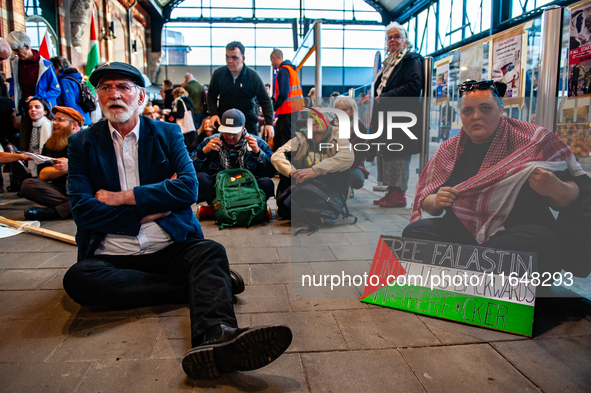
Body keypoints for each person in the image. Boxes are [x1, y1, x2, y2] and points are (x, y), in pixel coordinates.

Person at [62, 62, 292, 380]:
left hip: (168, 244)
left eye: (123, 87)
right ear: (98, 96)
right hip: (112, 253)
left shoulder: (166, 134)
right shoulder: (82, 144)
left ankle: (218, 336)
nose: (114, 94)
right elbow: (83, 211)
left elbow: (188, 188)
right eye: (105, 88)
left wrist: (126, 197)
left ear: (141, 97)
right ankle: (201, 285)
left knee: (210, 252)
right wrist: (152, 205)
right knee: (79, 279)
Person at [403, 80, 587, 275]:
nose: (476, 116)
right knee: (415, 232)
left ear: (500, 110)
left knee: (541, 241)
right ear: (461, 116)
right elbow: (428, 204)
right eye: (468, 111)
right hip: (463, 234)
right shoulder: (450, 150)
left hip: (515, 235)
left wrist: (557, 188)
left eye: (485, 108)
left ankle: (463, 268)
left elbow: (577, 192)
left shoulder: (533, 141)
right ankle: (480, 268)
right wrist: (436, 200)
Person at [369, 22, 424, 208]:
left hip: (402, 118)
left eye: (397, 36)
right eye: (390, 37)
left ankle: (399, 194)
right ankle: (391, 191)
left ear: (405, 40)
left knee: (398, 155)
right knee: (388, 153)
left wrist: (385, 97)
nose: (393, 40)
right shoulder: (389, 63)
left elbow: (414, 86)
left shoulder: (410, 60)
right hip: (388, 118)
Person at [191, 108, 276, 218]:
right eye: (226, 132)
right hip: (220, 189)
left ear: (243, 128)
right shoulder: (210, 142)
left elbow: (271, 172)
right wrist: (203, 152)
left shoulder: (257, 143)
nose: (230, 137)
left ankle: (220, 210)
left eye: (234, 133)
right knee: (200, 178)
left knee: (267, 183)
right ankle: (246, 209)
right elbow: (190, 169)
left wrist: (258, 152)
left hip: (247, 188)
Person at [271, 108, 354, 218]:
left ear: (327, 121)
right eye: (312, 116)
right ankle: (317, 211)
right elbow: (277, 156)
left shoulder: (337, 135)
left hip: (326, 184)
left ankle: (307, 209)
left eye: (320, 116)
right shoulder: (301, 137)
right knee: (287, 165)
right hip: (303, 182)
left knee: (344, 170)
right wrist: (293, 172)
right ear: (307, 123)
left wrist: (315, 170)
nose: (316, 119)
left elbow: (348, 156)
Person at [21, 106, 83, 220]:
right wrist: (65, 169)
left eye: (60, 120)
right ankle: (74, 207)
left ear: (74, 125)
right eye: (54, 119)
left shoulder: (87, 140)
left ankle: (56, 212)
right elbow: (43, 174)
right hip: (63, 190)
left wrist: (72, 166)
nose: (55, 123)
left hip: (84, 189)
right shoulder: (50, 144)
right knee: (28, 185)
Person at [207, 41, 274, 139]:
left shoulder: (253, 76)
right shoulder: (218, 74)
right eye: (227, 57)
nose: (230, 61)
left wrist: (269, 123)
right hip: (224, 123)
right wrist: (213, 114)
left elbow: (265, 101)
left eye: (234, 57)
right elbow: (211, 96)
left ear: (243, 59)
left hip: (247, 123)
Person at [6, 31, 60, 117]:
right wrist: (12, 93)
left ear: (27, 46)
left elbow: (56, 90)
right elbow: (13, 81)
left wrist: (38, 98)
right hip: (24, 110)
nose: (16, 53)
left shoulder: (46, 66)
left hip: (43, 111)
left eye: (17, 50)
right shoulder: (15, 63)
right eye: (14, 50)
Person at [270, 49, 305, 151]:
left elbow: (283, 93)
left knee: (287, 140)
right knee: (279, 139)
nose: (272, 64)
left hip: (287, 110)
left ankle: (290, 162)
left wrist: (274, 107)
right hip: (289, 110)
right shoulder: (290, 70)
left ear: (274, 58)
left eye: (271, 61)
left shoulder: (284, 71)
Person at [333, 96, 369, 191]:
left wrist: (347, 166)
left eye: (345, 110)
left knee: (356, 179)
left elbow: (361, 153)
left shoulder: (360, 128)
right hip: (332, 164)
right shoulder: (329, 126)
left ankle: (347, 188)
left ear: (352, 111)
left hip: (353, 165)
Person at [50, 56, 91, 126]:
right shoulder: (72, 78)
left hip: (75, 121)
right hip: (81, 118)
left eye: (52, 68)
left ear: (58, 68)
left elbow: (69, 103)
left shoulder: (65, 81)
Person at [23, 97, 53, 177]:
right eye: (30, 108)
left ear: (45, 111)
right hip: (32, 160)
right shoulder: (29, 125)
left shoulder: (51, 125)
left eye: (37, 107)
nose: (33, 110)